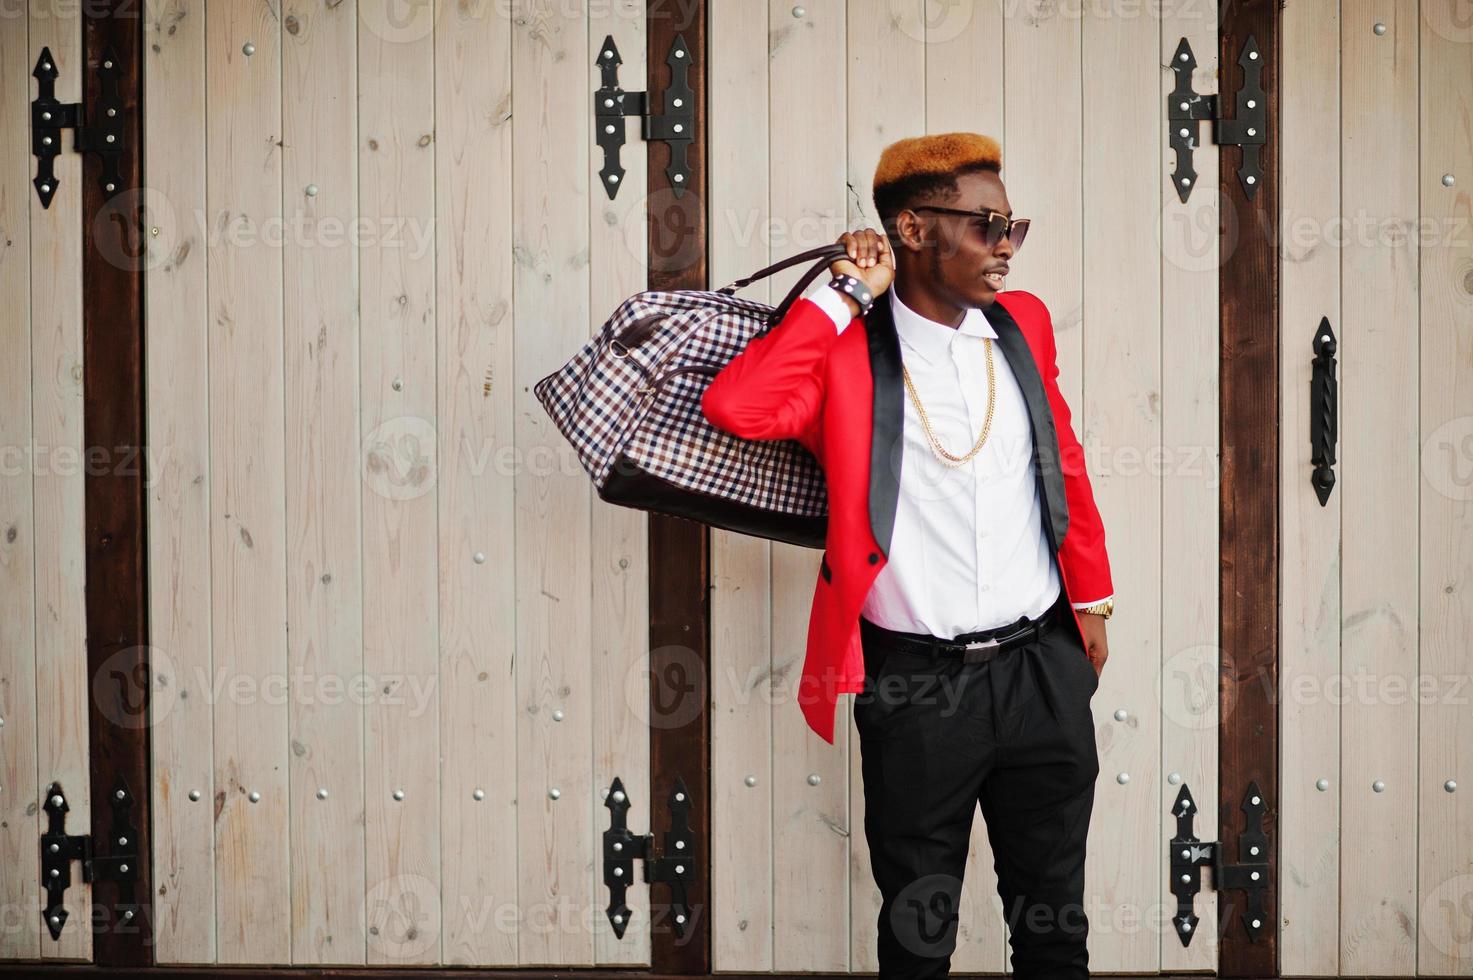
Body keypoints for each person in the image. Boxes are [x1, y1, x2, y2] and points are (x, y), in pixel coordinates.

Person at [700, 132, 1114, 978]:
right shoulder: (846, 352)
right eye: (986, 224)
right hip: (918, 686)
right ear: (914, 230)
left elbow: (1061, 457)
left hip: (1042, 666)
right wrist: (842, 292)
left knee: (1053, 925)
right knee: (919, 932)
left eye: (1013, 226)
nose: (1006, 246)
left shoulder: (1022, 324)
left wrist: (1093, 599)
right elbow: (739, 407)